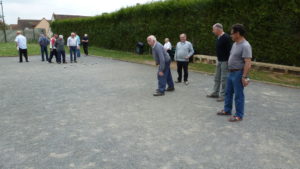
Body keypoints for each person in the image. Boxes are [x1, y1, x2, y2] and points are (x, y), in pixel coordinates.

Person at [216, 24, 252, 122]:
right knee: (228, 93)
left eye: (232, 33)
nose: (230, 35)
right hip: (230, 72)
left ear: (238, 33)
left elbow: (248, 62)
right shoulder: (235, 44)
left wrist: (244, 77)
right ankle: (227, 110)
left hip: (238, 73)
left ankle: (239, 115)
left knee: (238, 95)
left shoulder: (245, 45)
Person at [207, 23, 232, 102]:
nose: (213, 31)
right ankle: (215, 92)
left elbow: (230, 51)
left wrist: (228, 62)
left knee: (224, 79)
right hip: (219, 60)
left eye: (213, 29)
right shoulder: (218, 37)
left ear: (218, 29)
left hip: (225, 61)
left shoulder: (226, 37)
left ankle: (223, 95)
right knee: (217, 77)